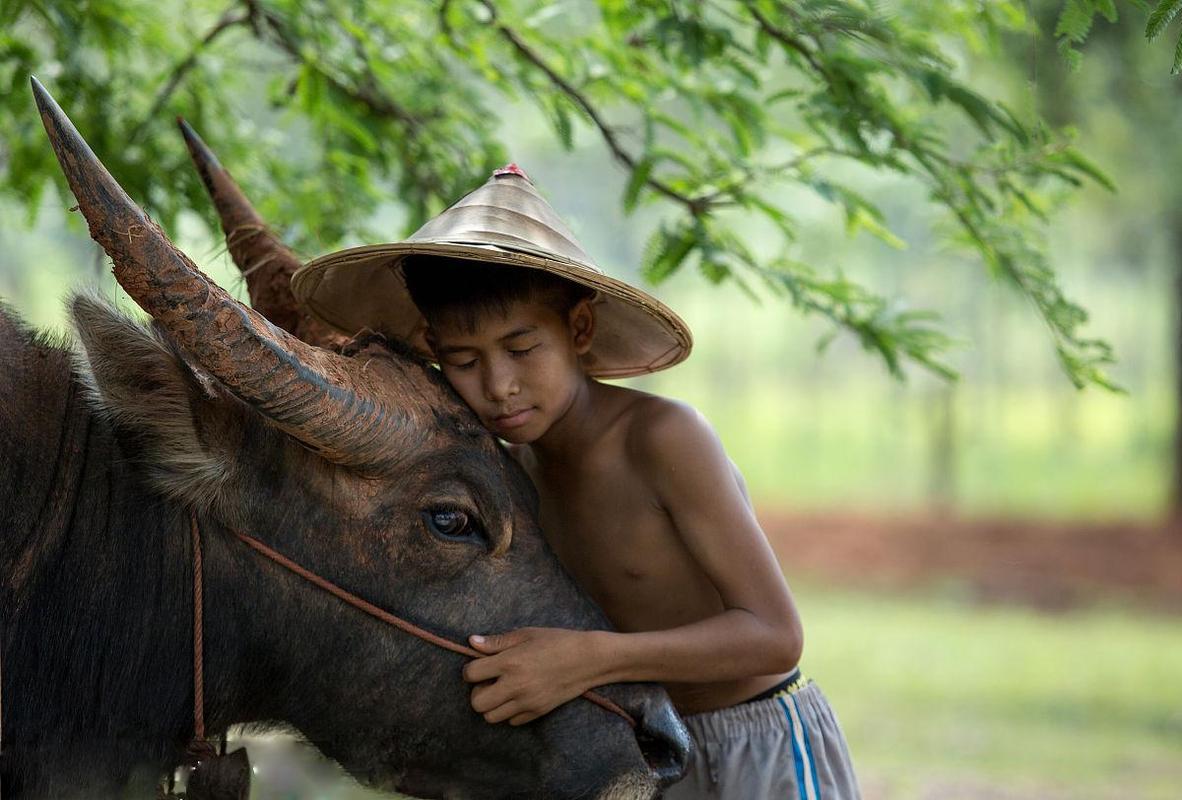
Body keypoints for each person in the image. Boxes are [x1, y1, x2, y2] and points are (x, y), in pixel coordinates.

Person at [291, 164, 861, 799]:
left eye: (522, 349)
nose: (499, 385)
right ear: (433, 349)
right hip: (638, 751)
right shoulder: (510, 478)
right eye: (464, 360)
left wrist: (588, 659)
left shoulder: (664, 440)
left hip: (757, 744)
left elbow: (775, 637)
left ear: (579, 331)